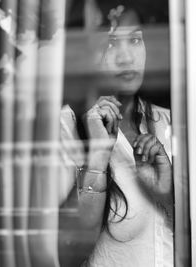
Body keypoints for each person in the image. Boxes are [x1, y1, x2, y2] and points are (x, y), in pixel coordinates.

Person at [60, 6, 173, 267]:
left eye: (135, 40)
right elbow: (67, 254)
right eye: (111, 43)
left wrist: (168, 196)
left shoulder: (169, 123)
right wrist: (98, 158)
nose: (126, 57)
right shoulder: (65, 126)